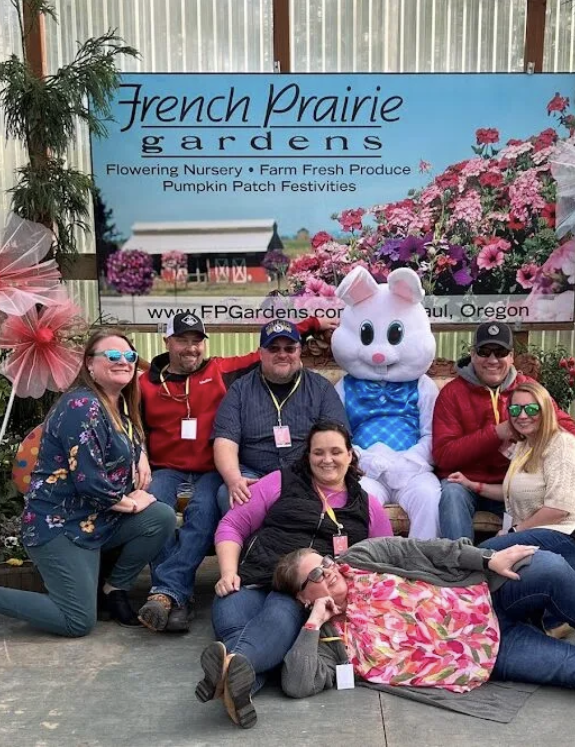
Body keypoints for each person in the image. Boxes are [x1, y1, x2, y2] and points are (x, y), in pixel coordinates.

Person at [259, 539, 575, 735]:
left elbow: (426, 549)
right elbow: (298, 683)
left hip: (484, 597)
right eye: (317, 574)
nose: (330, 570)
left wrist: (486, 560)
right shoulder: (328, 639)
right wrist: (315, 621)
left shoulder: (360, 558)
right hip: (491, 654)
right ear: (303, 595)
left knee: (549, 565)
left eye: (325, 561)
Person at [0, 330, 177, 638]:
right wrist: (133, 502)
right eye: (112, 356)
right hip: (61, 525)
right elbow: (90, 483)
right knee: (77, 621)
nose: (124, 361)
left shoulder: (119, 409)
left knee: (161, 518)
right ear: (89, 364)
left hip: (97, 520)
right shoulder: (81, 406)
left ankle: (113, 590)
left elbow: (124, 440)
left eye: (129, 356)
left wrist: (140, 454)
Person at [138, 312, 331, 633]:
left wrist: (312, 324)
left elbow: (272, 349)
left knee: (203, 509)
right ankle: (173, 593)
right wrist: (141, 458)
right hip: (166, 469)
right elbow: (131, 427)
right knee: (155, 508)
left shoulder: (221, 370)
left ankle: (168, 594)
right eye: (182, 340)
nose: (191, 348)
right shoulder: (144, 384)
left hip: (209, 470)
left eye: (197, 340)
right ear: (166, 342)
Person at [195, 420, 393, 728]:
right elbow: (232, 524)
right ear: (308, 455)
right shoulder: (280, 482)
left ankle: (226, 674)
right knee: (245, 635)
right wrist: (228, 572)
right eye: (318, 452)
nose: (327, 460)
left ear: (350, 455)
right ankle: (237, 685)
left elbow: (384, 561)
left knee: (275, 620)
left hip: (297, 594)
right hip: (249, 581)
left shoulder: (367, 507)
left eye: (336, 452)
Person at [434, 321, 575, 543]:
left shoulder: (527, 388)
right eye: (484, 352)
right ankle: (460, 560)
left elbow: (559, 421)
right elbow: (443, 456)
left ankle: (534, 557)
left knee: (537, 493)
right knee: (451, 492)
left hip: (516, 482)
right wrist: (496, 434)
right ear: (472, 355)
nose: (492, 360)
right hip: (465, 482)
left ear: (511, 357)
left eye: (500, 352)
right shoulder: (451, 393)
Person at [452, 380, 575, 579]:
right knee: (490, 561)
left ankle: (454, 591)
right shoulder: (525, 445)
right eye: (515, 410)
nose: (523, 415)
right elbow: (514, 492)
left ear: (546, 411)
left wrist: (513, 532)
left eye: (531, 409)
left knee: (487, 554)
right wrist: (472, 485)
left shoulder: (562, 444)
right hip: (544, 532)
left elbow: (558, 509)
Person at [213, 319, 348, 514]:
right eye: (274, 348)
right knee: (227, 494)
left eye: (289, 348)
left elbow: (338, 437)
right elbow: (225, 442)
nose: (282, 354)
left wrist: (324, 475)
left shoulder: (321, 388)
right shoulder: (239, 390)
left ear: (299, 351)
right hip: (254, 474)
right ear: (261, 353)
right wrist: (234, 479)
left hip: (307, 474)